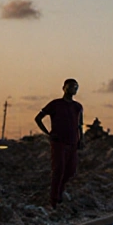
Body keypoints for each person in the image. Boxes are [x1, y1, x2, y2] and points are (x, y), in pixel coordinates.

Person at [35, 79, 84, 207]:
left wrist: (81, 139)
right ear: (64, 87)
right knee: (58, 169)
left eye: (76, 87)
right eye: (71, 86)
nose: (74, 89)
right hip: (58, 142)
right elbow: (38, 118)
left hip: (73, 142)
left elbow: (79, 125)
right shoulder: (55, 104)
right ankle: (54, 199)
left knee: (70, 170)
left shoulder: (77, 107)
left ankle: (60, 193)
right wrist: (48, 133)